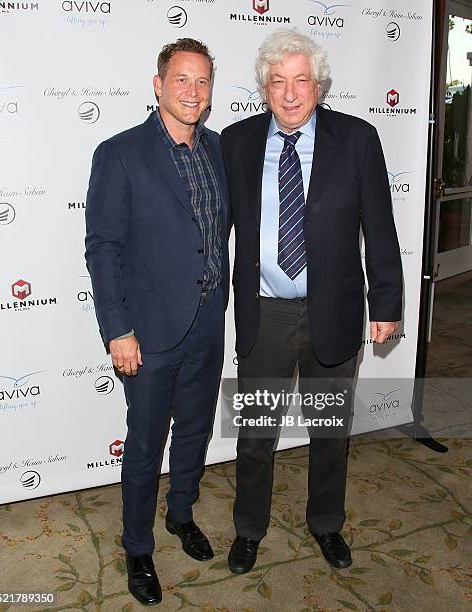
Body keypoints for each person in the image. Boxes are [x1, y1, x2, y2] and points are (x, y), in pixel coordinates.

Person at [221, 28, 402, 574]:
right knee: (255, 436)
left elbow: (382, 228)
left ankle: (326, 525)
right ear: (265, 88)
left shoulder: (358, 138)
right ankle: (249, 529)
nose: (290, 92)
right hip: (265, 315)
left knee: (330, 432)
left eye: (301, 80)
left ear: (319, 85)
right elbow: (210, 223)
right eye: (278, 81)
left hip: (334, 314)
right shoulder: (237, 141)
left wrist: (387, 304)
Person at [85, 38, 228, 606]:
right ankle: (138, 545)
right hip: (146, 331)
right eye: (182, 80)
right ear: (158, 84)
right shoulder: (119, 153)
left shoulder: (218, 149)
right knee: (146, 444)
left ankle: (182, 514)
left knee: (193, 432)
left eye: (203, 82)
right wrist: (118, 329)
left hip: (208, 323)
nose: (193, 92)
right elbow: (103, 247)